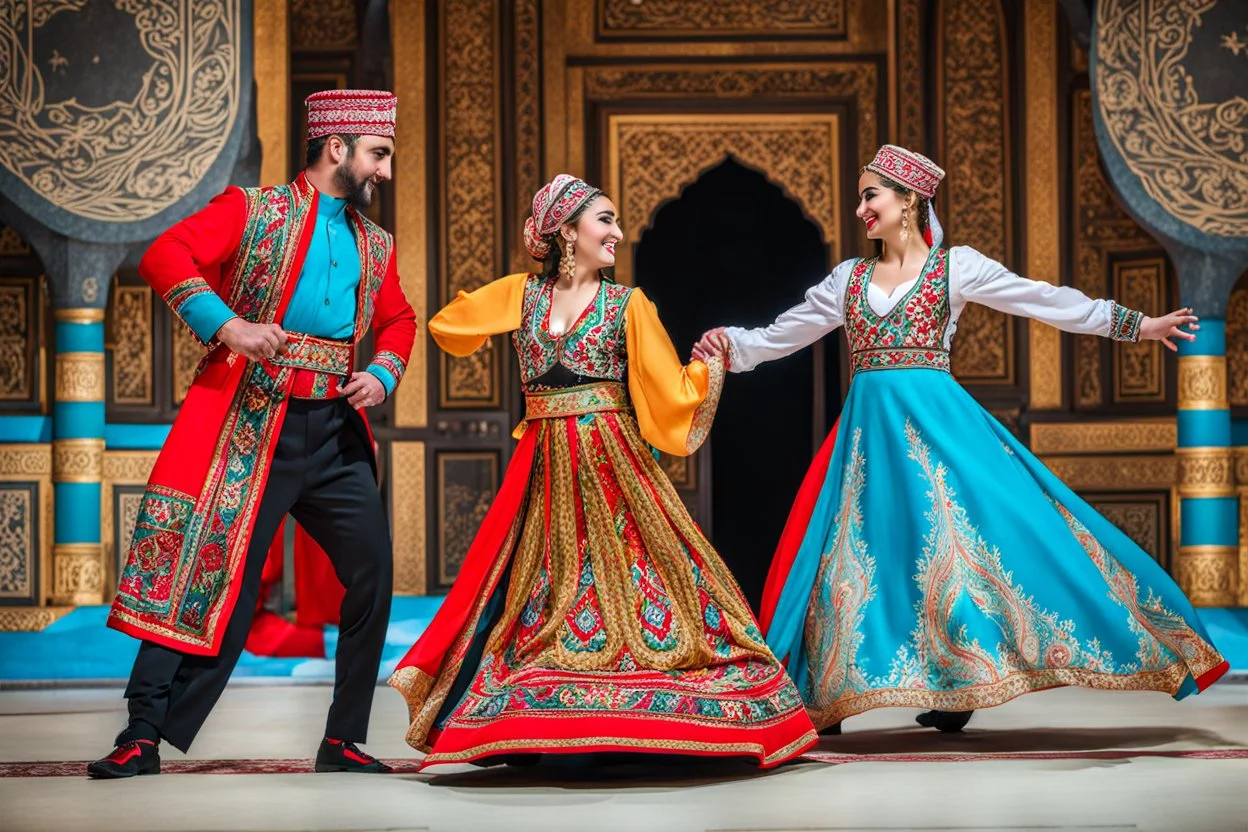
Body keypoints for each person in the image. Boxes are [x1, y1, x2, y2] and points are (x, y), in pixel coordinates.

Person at [694, 144, 1228, 735]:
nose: (861, 208)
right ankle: (829, 691)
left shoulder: (957, 267)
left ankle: (958, 683)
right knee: (856, 558)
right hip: (870, 443)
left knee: (967, 546)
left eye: (871, 194)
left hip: (940, 433)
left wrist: (1137, 325)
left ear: (909, 201)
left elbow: (1043, 300)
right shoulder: (850, 279)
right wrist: (731, 348)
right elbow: (785, 333)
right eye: (861, 196)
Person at [389, 175, 818, 769]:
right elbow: (447, 326)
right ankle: (531, 716)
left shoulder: (628, 304)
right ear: (566, 231)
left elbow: (669, 391)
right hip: (545, 466)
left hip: (615, 463)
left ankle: (645, 710)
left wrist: (708, 369)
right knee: (542, 584)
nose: (617, 233)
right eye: (605, 221)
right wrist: (492, 329)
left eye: (616, 222)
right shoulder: (521, 295)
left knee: (646, 575)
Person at [89, 90, 416, 778]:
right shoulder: (253, 210)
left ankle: (343, 740)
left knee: (373, 573)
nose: (385, 171)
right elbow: (165, 254)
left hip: (333, 430)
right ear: (338, 149)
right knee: (199, 569)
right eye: (378, 154)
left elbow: (399, 321)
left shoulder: (375, 245)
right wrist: (229, 326)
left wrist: (383, 375)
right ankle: (142, 733)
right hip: (249, 421)